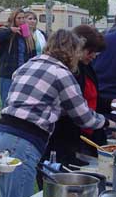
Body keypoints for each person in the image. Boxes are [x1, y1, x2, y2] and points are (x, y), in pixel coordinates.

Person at [0, 29, 115, 197]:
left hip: (2, 135)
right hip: (24, 141)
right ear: (73, 51)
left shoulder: (30, 64)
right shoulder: (61, 73)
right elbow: (84, 118)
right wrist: (107, 122)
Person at [45, 24, 107, 165]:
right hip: (64, 139)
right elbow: (78, 111)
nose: (93, 56)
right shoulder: (68, 72)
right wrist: (106, 122)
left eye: (96, 52)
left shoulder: (86, 67)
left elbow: (92, 98)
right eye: (90, 51)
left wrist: (112, 104)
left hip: (84, 134)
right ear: (78, 48)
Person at [0, 9, 37, 106]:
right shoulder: (6, 31)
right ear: (13, 19)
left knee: (22, 102)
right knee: (6, 102)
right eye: (19, 18)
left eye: (23, 18)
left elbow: (33, 54)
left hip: (24, 74)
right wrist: (10, 30)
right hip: (8, 74)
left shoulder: (27, 35)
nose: (21, 20)